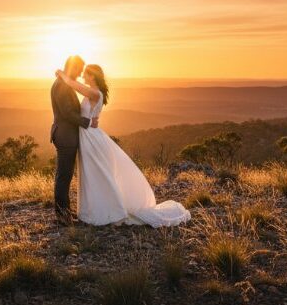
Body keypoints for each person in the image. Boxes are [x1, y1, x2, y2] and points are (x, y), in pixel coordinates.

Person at [54, 63, 191, 227]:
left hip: (91, 138)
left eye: (86, 74)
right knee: (91, 174)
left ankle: (108, 211)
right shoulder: (95, 92)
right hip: (88, 135)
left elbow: (74, 85)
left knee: (96, 173)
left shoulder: (94, 93)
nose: (83, 76)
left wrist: (62, 74)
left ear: (93, 76)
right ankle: (92, 211)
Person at [49, 55, 96, 226]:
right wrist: (88, 122)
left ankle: (65, 213)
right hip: (65, 135)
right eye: (79, 69)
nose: (81, 72)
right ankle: (62, 216)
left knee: (65, 175)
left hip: (65, 134)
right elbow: (68, 113)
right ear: (72, 67)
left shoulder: (63, 83)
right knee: (64, 176)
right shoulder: (61, 86)